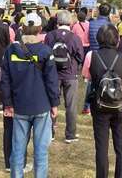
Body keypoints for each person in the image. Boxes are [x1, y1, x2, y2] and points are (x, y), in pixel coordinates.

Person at [1, 12, 59, 178]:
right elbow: (52, 81)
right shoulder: (46, 51)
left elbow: (5, 80)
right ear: (40, 29)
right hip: (41, 106)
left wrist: (7, 103)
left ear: (22, 28)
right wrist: (54, 104)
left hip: (19, 106)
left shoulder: (11, 50)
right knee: (41, 151)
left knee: (18, 150)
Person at [82, 24, 122, 178]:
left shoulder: (90, 56)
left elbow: (86, 76)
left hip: (99, 105)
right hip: (121, 105)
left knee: (101, 146)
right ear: (117, 40)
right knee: (121, 146)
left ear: (98, 39)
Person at [45, 10, 84, 143]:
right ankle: (70, 134)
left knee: (51, 102)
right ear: (70, 22)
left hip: (52, 74)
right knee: (71, 106)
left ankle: (50, 132)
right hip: (70, 74)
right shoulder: (74, 38)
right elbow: (80, 56)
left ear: (57, 22)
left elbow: (45, 53)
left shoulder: (50, 36)